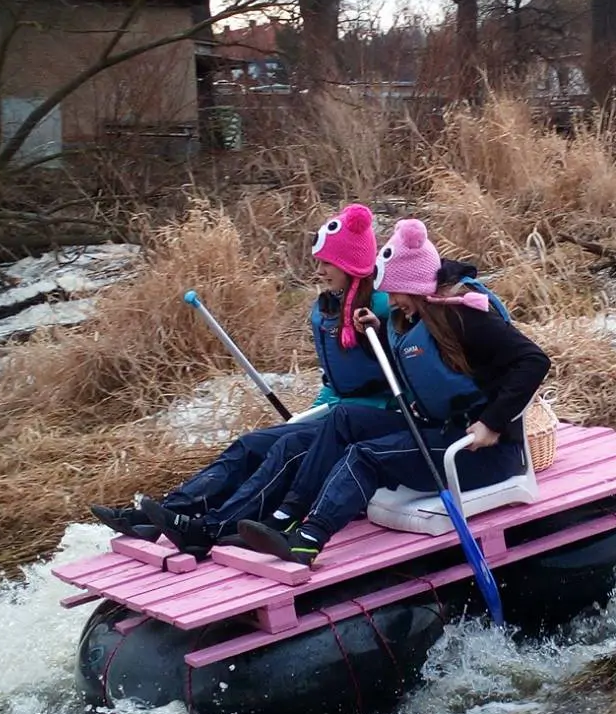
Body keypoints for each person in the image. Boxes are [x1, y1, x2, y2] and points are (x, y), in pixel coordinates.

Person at [236, 218, 551, 567]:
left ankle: (309, 539)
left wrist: (492, 423)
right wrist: (378, 333)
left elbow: (534, 361)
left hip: (478, 452)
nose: (392, 300)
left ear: (414, 286)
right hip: (436, 430)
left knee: (365, 455)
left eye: (396, 292)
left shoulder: (465, 317)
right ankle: (287, 516)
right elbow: (422, 365)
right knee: (343, 418)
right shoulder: (416, 319)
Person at [89, 203, 394, 555]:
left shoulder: (383, 308)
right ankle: (165, 512)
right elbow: (334, 385)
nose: (319, 270)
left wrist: (376, 336)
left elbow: (401, 373)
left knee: (289, 449)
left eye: (327, 263)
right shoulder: (325, 309)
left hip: (372, 419)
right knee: (251, 443)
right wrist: (305, 416)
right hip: (337, 414)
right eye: (319, 262)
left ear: (350, 264)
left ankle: (211, 527)